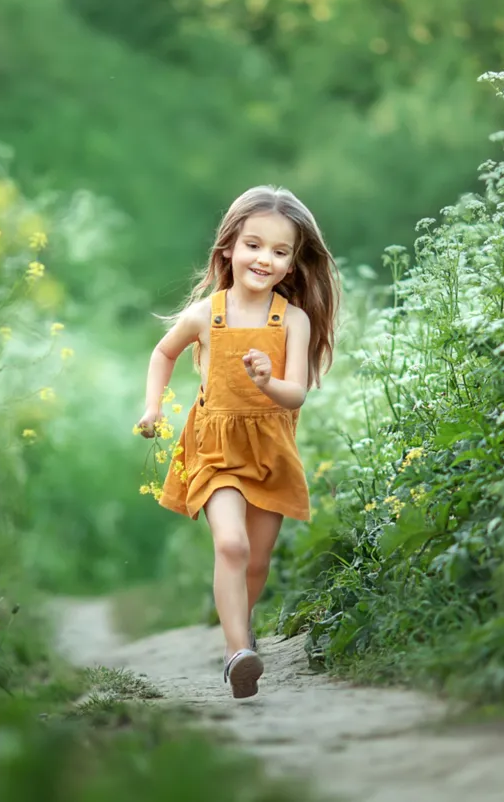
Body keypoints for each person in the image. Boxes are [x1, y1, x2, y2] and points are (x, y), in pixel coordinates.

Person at [136, 185, 340, 699]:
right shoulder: (208, 313)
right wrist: (153, 408)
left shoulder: (292, 319)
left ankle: (241, 629)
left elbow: (294, 395)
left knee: (255, 561)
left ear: (293, 264)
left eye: (279, 251)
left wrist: (268, 381)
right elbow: (163, 354)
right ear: (228, 247)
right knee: (231, 544)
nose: (264, 258)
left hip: (270, 451)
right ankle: (236, 656)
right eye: (253, 244)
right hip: (215, 447)